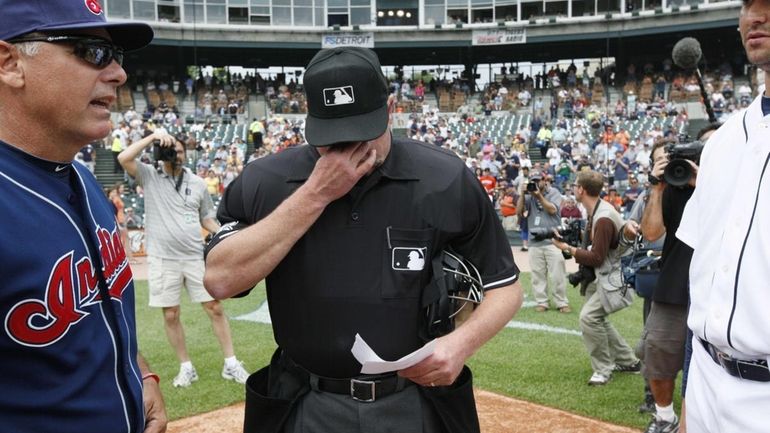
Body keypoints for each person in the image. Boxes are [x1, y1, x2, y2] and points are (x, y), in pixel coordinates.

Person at [204, 46, 522, 433]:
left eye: (361, 133)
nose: (346, 150)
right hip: (307, 401)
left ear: (389, 110)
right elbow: (220, 280)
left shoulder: (444, 178)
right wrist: (316, 193)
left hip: (414, 400)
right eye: (331, 137)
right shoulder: (266, 181)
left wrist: (461, 344)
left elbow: (504, 287)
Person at [0, 1, 166, 432]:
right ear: (9, 63)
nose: (118, 73)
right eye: (91, 51)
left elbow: (97, 313)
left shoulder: (80, 175)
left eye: (116, 56)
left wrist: (138, 371)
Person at [677, 10, 770, 425]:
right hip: (706, 377)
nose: (758, 15)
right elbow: (705, 278)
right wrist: (692, 400)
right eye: (749, 2)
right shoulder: (723, 141)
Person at [118, 130, 249, 388]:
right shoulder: (150, 175)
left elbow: (207, 219)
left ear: (186, 154)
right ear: (159, 152)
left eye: (178, 150)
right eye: (170, 150)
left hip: (193, 257)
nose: (175, 154)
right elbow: (124, 157)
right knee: (171, 314)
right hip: (163, 258)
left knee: (215, 307)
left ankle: (231, 363)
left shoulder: (198, 183)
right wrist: (153, 137)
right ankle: (186, 367)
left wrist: (228, 233)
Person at [553, 170, 640, 386]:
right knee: (596, 318)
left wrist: (568, 248)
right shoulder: (598, 210)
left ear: (581, 189)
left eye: (575, 185)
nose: (574, 189)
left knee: (589, 318)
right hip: (605, 277)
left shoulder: (602, 217)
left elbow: (597, 257)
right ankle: (628, 361)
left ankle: (603, 369)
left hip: (612, 277)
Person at [637, 138, 697, 433]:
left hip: (716, 288)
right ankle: (664, 416)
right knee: (656, 352)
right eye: (662, 160)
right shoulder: (668, 190)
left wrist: (704, 183)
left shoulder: (727, 187)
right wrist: (657, 187)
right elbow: (650, 232)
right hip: (674, 285)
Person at [517, 171, 570, 313]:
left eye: (538, 180)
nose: (535, 183)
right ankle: (542, 302)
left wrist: (538, 196)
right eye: (533, 181)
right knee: (537, 275)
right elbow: (519, 212)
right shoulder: (528, 195)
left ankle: (561, 302)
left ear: (544, 180)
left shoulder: (554, 192)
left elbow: (552, 210)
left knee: (558, 274)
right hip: (535, 241)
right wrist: (522, 194)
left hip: (553, 240)